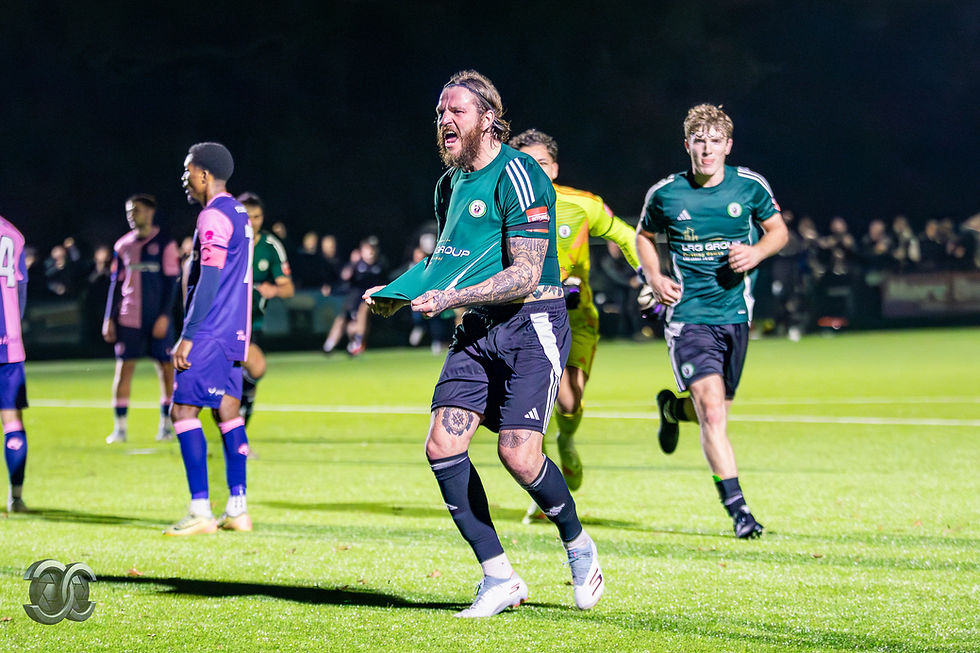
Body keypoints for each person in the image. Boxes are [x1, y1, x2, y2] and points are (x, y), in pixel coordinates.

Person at [363, 70, 604, 617]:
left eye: (456, 112)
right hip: (478, 329)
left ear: (489, 118)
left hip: (531, 323)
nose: (445, 122)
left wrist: (449, 299)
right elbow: (441, 261)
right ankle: (498, 576)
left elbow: (524, 272)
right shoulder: (448, 184)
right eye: (440, 114)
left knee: (519, 456)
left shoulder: (518, 174)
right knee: (441, 446)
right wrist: (398, 293)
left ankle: (578, 545)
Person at [636, 104, 788, 539]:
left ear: (728, 145)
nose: (706, 149)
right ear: (687, 145)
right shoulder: (666, 194)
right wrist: (654, 275)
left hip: (735, 315)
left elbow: (778, 231)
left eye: (714, 141)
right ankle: (740, 512)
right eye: (698, 141)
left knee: (714, 408)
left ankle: (671, 407)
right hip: (688, 317)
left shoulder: (750, 187)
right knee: (713, 411)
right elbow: (644, 237)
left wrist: (756, 252)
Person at [508, 128, 639, 512]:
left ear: (555, 168)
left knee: (567, 402)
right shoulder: (504, 209)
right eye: (526, 164)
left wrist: (648, 276)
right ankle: (541, 479)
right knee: (532, 405)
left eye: (542, 164)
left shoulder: (581, 205)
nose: (535, 171)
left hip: (576, 318)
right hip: (526, 319)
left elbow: (626, 236)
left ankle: (566, 441)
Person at [166, 142, 254, 536]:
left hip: (210, 332)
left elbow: (211, 280)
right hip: (235, 331)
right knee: (228, 412)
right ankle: (237, 509)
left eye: (188, 172)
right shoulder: (240, 212)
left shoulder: (213, 216)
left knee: (183, 413)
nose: (184, 179)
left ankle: (201, 511)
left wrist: (188, 335)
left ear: (203, 174)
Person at [103, 195, 180, 444]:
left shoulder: (165, 243)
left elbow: (172, 284)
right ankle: (120, 428)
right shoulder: (122, 246)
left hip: (156, 319)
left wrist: (164, 316)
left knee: (166, 370)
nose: (131, 215)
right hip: (128, 318)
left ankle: (166, 426)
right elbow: (115, 285)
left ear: (150, 212)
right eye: (128, 211)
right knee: (124, 369)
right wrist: (109, 318)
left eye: (135, 210)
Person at [236, 192, 294, 426]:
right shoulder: (227, 243)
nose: (252, 221)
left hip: (253, 324)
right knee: (242, 374)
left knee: (252, 373)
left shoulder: (271, 246)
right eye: (247, 216)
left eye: (257, 216)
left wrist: (274, 290)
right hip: (224, 323)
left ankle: (238, 435)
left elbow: (288, 289)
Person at [0, 214, 30, 512]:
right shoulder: (13, 233)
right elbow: (21, 289)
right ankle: (16, 496)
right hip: (9, 344)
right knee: (12, 421)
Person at [322, 236, 386, 356]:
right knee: (342, 320)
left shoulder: (380, 264)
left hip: (370, 299)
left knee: (362, 312)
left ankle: (357, 343)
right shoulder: (357, 263)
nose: (371, 252)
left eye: (373, 249)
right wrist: (353, 262)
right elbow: (344, 277)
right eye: (368, 248)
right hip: (354, 298)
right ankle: (329, 345)